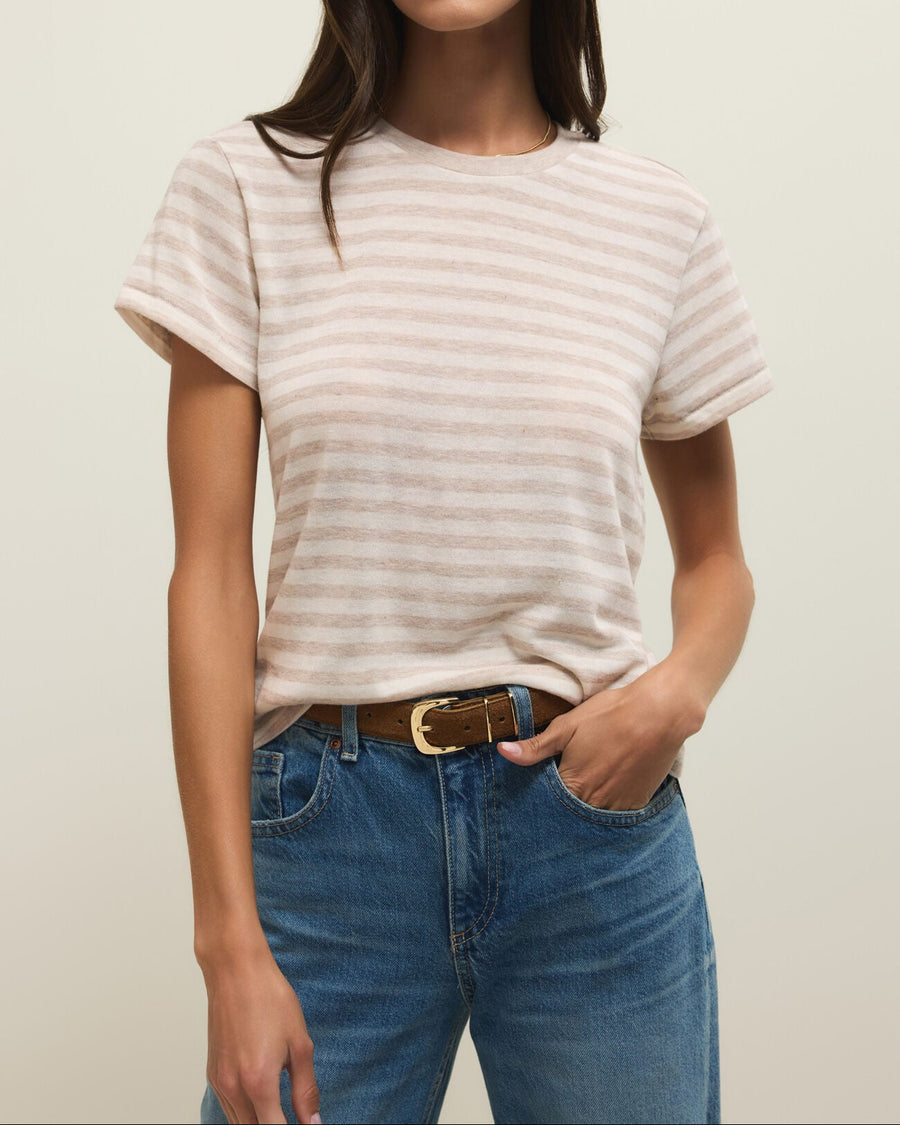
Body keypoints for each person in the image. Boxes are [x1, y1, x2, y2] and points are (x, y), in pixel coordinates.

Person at [113, 2, 774, 1122]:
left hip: (592, 829)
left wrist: (673, 697)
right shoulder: (244, 186)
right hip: (331, 838)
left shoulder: (656, 217)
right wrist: (227, 940)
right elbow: (209, 575)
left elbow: (718, 564)